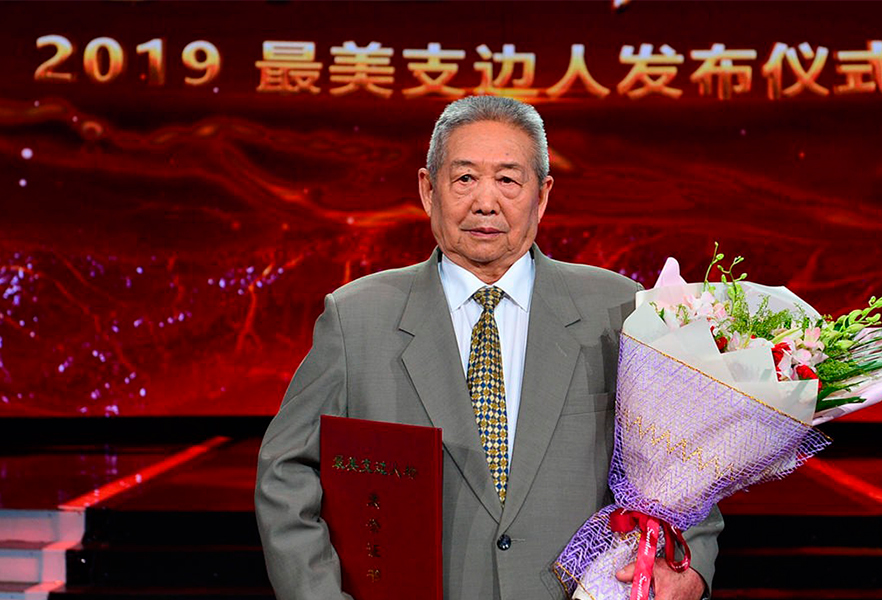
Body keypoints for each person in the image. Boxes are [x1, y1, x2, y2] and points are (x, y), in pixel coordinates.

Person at [255, 96, 723, 600]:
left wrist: (691, 567)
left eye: (507, 180)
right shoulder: (356, 318)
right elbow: (285, 472)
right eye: (464, 178)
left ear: (541, 196)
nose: (485, 202)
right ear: (427, 190)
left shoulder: (619, 310)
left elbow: (687, 465)